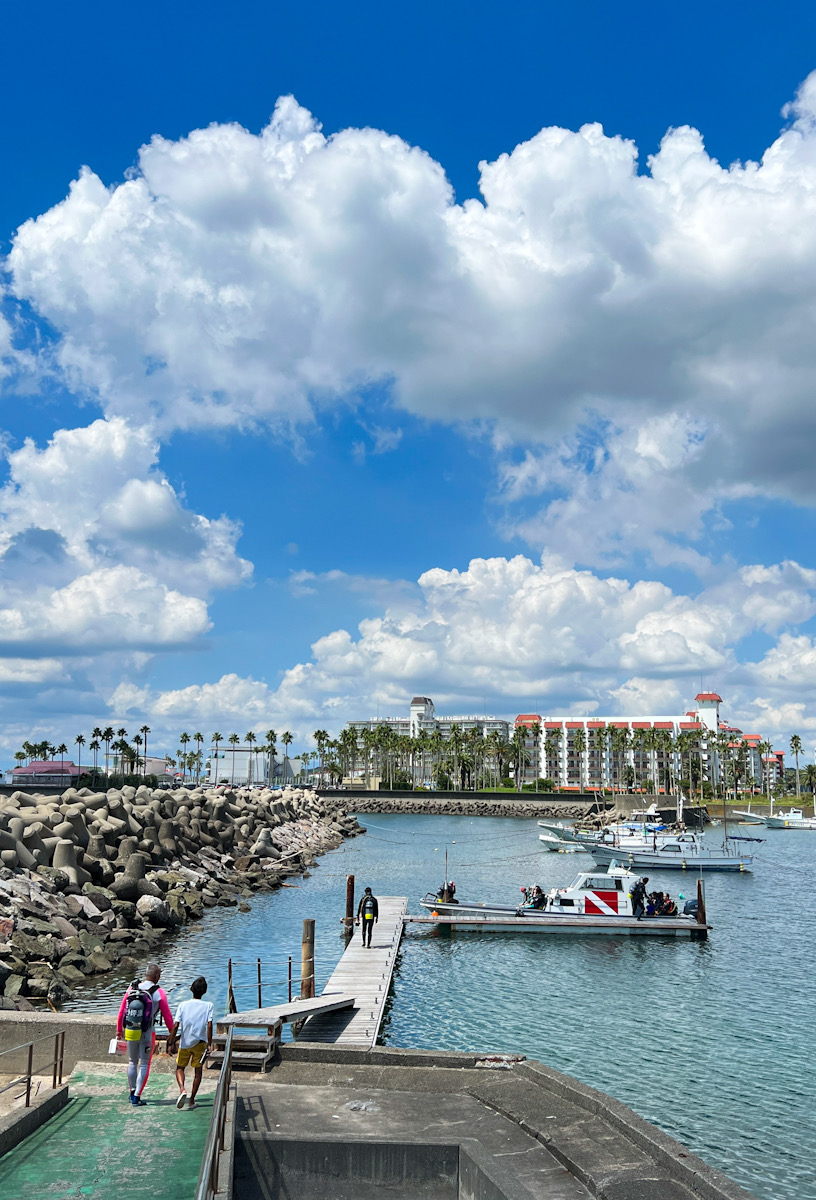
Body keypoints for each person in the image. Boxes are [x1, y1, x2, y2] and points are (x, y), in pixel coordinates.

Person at [116, 963, 174, 1107]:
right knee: (145, 1064)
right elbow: (167, 1017)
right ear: (156, 976)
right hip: (148, 1033)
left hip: (131, 1031)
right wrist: (172, 1033)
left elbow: (122, 1010)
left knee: (132, 1061)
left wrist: (119, 1030)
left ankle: (132, 1092)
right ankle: (137, 1097)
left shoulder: (132, 988)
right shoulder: (159, 993)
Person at [167, 976, 214, 1110]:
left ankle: (182, 1089)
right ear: (204, 991)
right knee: (197, 1072)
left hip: (185, 1043)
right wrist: (209, 1043)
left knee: (180, 1068)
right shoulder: (208, 1005)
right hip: (200, 1043)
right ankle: (192, 1100)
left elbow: (176, 1025)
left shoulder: (183, 1005)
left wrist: (171, 1041)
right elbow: (209, 1025)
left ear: (191, 990)